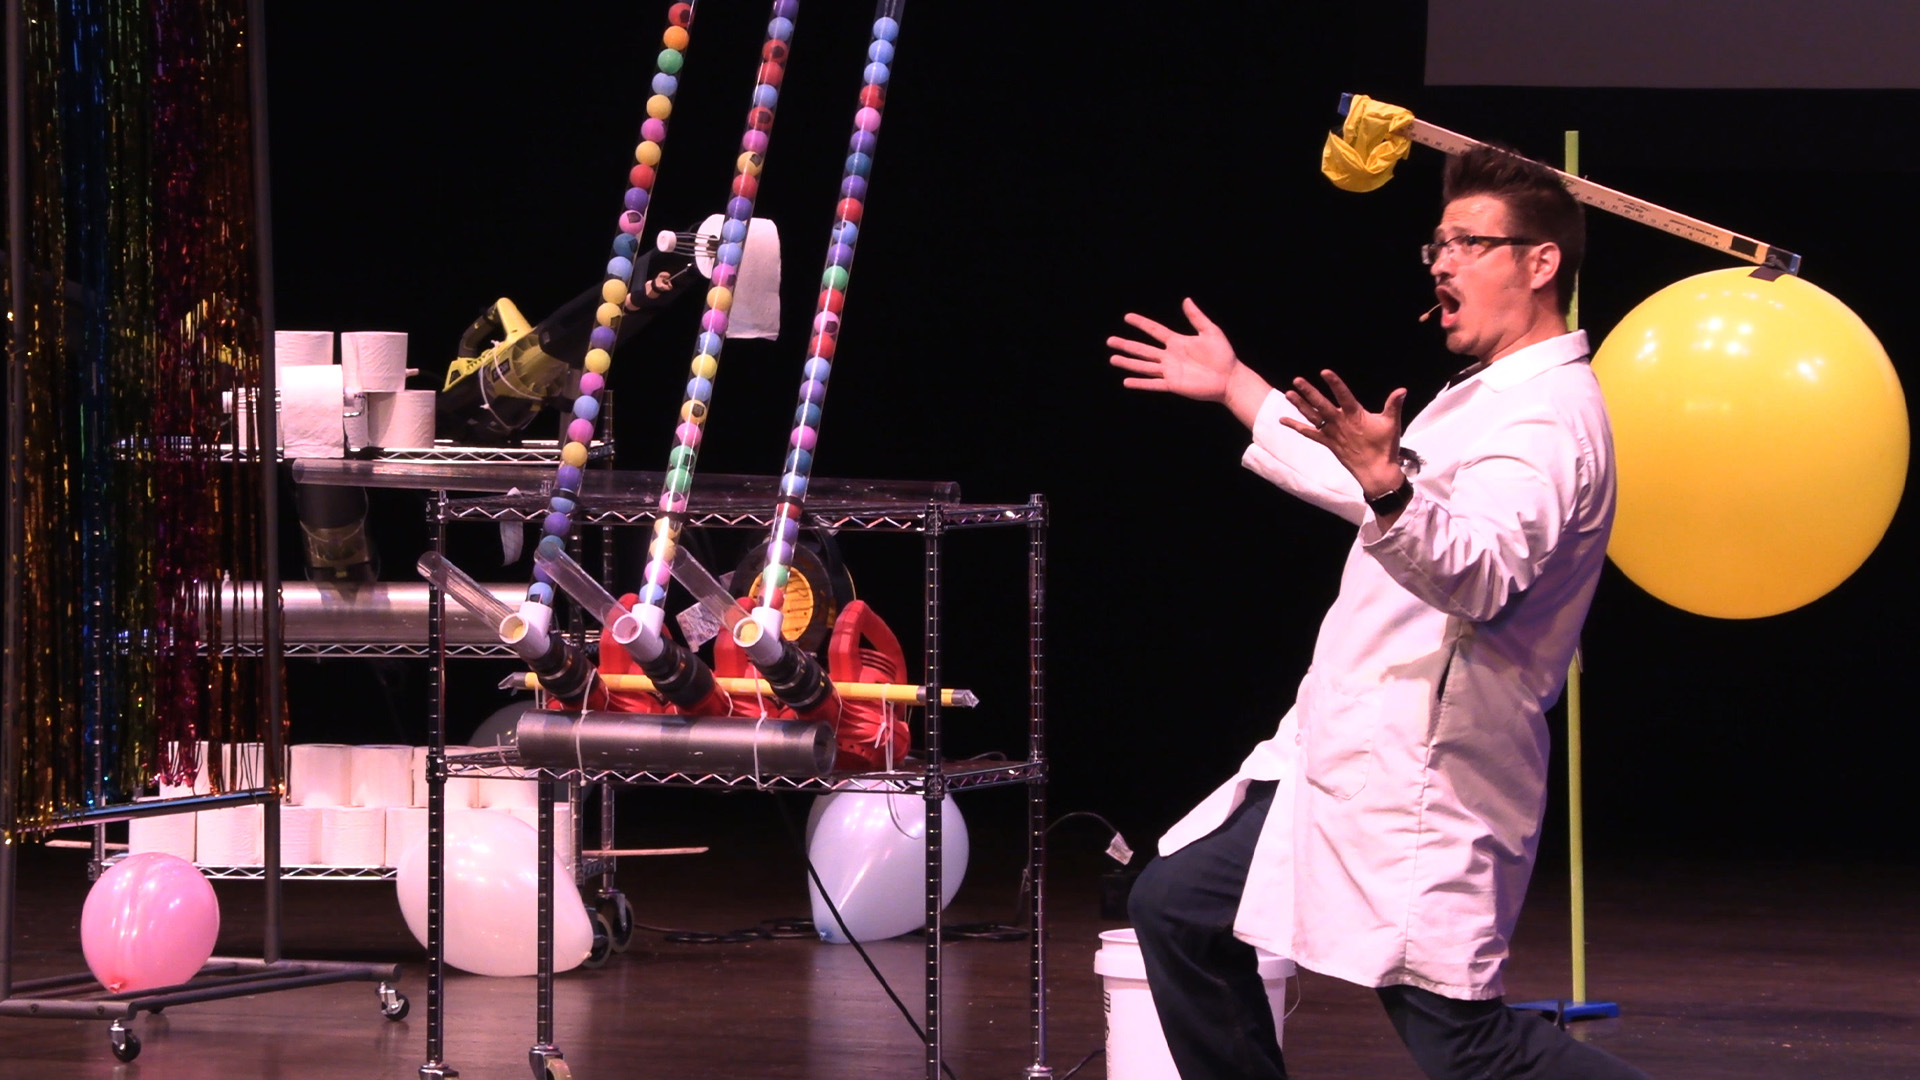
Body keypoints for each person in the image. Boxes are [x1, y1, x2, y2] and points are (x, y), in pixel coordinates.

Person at [1106, 145, 1650, 1080]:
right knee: (1181, 909)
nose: (1441, 263)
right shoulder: (1485, 396)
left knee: (1464, 1043)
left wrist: (1390, 489)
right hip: (1345, 753)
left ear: (1541, 262)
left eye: (1469, 243)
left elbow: (1479, 572)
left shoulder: (1549, 418)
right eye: (1436, 243)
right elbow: (1371, 489)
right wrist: (1240, 387)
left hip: (1427, 776)